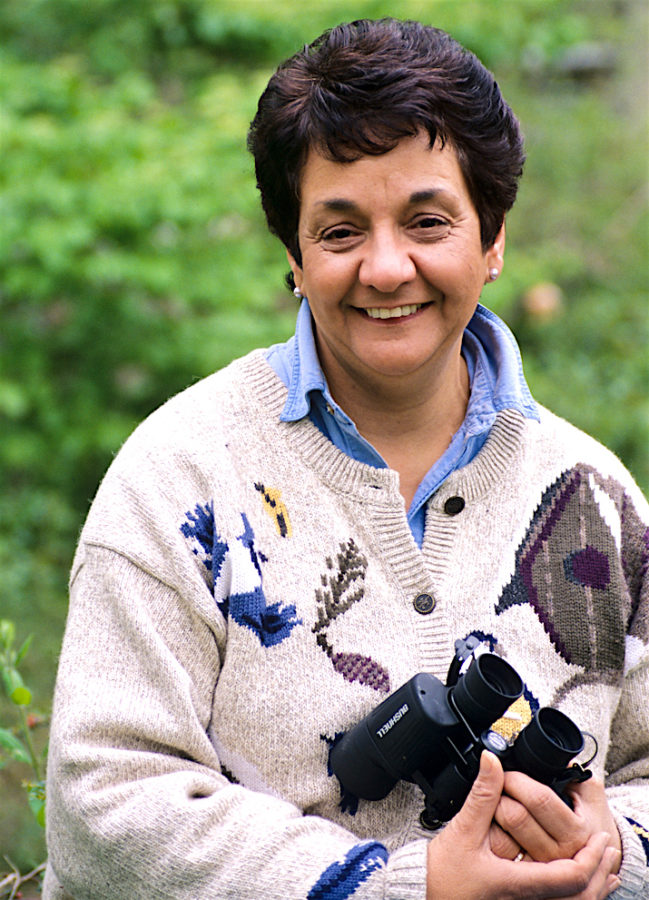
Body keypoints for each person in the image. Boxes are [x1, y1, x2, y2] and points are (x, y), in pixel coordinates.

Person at [43, 18, 648, 900]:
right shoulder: (178, 478)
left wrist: (609, 852)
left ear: (492, 240)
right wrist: (398, 887)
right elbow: (103, 806)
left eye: (428, 221)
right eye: (339, 232)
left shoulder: (594, 497)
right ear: (293, 257)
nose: (387, 267)